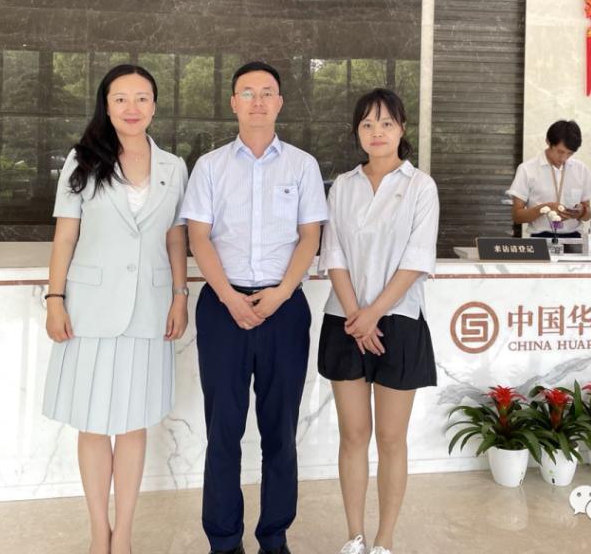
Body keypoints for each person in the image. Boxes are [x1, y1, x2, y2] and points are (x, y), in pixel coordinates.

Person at [180, 61, 328, 554]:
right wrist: (228, 297)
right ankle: (223, 541)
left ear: (280, 103)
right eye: (248, 92)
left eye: (267, 92)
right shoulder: (210, 166)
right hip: (223, 307)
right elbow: (198, 237)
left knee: (279, 431)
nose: (258, 101)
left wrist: (281, 294)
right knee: (223, 430)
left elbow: (310, 236)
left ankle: (274, 536)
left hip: (284, 308)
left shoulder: (302, 165)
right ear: (233, 103)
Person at [41, 63, 189, 554]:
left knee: (132, 423)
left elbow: (175, 238)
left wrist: (180, 295)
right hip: (90, 308)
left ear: (154, 106)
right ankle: (97, 532)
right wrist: (55, 299)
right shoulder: (82, 160)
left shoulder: (173, 167)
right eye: (120, 98)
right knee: (92, 422)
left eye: (141, 98)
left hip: (149, 308)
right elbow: (66, 236)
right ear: (106, 106)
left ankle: (123, 533)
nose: (132, 107)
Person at [318, 88, 439, 554]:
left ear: (402, 128)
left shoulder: (420, 186)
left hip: (399, 321)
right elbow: (333, 253)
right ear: (357, 132)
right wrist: (357, 315)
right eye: (367, 124)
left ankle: (385, 540)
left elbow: (416, 259)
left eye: (386, 123)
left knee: (390, 438)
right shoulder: (343, 187)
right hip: (344, 320)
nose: (377, 132)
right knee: (353, 435)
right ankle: (355, 536)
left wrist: (373, 314)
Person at [506, 119, 591, 238]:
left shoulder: (581, 169)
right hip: (540, 239)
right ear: (548, 142)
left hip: (574, 239)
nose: (564, 158)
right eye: (560, 152)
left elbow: (588, 215)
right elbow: (517, 216)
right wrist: (545, 208)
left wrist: (580, 212)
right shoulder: (527, 169)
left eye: (570, 153)